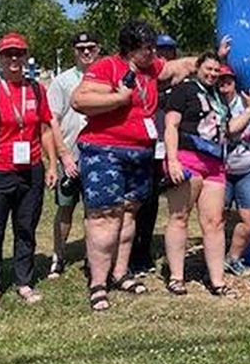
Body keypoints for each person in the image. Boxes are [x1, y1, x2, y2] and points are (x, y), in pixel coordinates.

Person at [71, 20, 213, 311]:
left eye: (152, 48)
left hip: (141, 152)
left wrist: (211, 58)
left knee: (128, 213)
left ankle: (121, 272)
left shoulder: (152, 68)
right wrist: (118, 98)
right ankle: (98, 283)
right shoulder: (106, 67)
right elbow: (80, 100)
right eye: (146, 48)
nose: (152, 53)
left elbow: (178, 67)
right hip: (105, 150)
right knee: (104, 216)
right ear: (129, 48)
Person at [0, 32, 58, 316]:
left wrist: (52, 163)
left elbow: (44, 128)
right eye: (8, 54)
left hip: (30, 171)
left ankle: (24, 281)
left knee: (26, 228)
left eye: (19, 53)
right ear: (0, 57)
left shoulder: (36, 89)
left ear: (26, 56)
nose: (14, 59)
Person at [163, 51, 250, 296]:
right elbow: (171, 125)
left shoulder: (217, 96)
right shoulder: (183, 90)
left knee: (214, 222)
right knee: (180, 217)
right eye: (209, 69)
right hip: (187, 158)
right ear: (198, 67)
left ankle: (217, 280)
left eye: (217, 70)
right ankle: (176, 276)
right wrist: (172, 160)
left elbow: (227, 130)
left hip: (215, 164)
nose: (213, 74)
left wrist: (249, 111)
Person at [45, 31, 100, 279]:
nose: (86, 52)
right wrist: (63, 156)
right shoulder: (62, 81)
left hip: (98, 155)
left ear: (98, 49)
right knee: (65, 208)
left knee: (94, 210)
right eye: (81, 48)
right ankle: (58, 256)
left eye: (90, 47)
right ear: (74, 51)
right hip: (71, 155)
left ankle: (92, 257)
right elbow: (52, 121)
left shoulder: (104, 78)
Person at [130, 32, 181, 274]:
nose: (164, 55)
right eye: (159, 50)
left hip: (165, 148)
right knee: (135, 201)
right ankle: (128, 250)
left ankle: (144, 250)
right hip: (141, 145)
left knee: (152, 203)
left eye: (169, 51)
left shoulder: (178, 83)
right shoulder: (143, 78)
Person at [218, 64, 250, 276]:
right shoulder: (213, 103)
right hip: (219, 169)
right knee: (216, 217)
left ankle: (233, 258)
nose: (224, 82)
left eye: (228, 78)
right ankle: (213, 260)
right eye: (220, 79)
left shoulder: (247, 99)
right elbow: (228, 130)